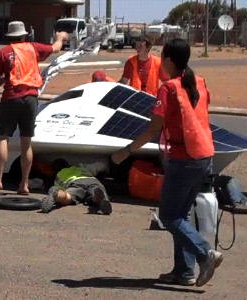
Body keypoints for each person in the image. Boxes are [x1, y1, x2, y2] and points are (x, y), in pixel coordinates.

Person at [111, 39, 223, 287]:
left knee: (170, 217)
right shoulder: (199, 82)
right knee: (181, 214)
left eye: (163, 57)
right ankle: (184, 272)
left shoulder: (169, 88)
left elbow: (153, 128)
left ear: (170, 60)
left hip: (184, 159)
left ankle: (205, 254)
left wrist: (127, 151)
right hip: (204, 155)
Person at [0, 21, 68, 196]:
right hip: (31, 99)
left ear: (9, 36)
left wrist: (3, 80)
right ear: (24, 35)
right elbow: (55, 48)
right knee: (26, 142)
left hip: (10, 98)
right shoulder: (34, 48)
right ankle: (24, 184)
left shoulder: (3, 53)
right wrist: (60, 37)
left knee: (3, 138)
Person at [40, 160, 112, 215]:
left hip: (75, 183)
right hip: (92, 180)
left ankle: (57, 194)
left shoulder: (59, 175)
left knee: (68, 196)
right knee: (94, 192)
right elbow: (100, 165)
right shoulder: (80, 167)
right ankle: (98, 196)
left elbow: (60, 186)